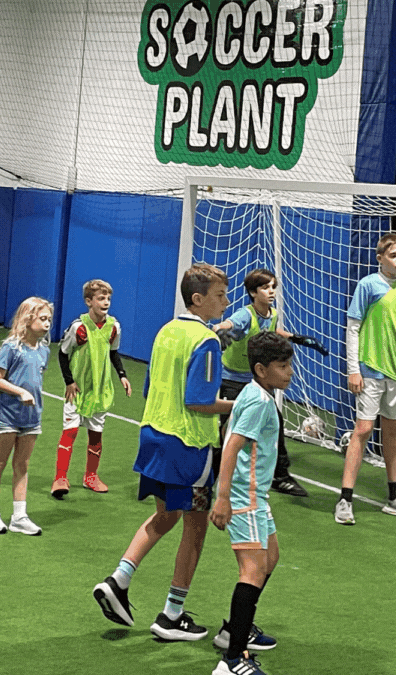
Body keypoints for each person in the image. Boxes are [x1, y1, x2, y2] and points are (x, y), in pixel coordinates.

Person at [93, 263, 234, 642]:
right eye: (220, 295)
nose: (226, 301)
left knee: (165, 516)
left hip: (153, 435)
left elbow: (149, 388)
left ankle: (119, 578)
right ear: (198, 299)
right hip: (189, 444)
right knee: (196, 525)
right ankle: (172, 614)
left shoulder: (166, 331)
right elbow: (200, 401)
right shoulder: (206, 343)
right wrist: (238, 405)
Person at [210, 332, 292, 675]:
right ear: (260, 368)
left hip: (256, 496)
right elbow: (232, 446)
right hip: (245, 497)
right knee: (253, 570)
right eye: (282, 366)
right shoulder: (259, 401)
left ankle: (237, 628)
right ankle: (233, 658)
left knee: (270, 558)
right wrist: (224, 496)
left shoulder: (254, 392)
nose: (289, 372)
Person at [335, 232, 396, 525]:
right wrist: (354, 369)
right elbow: (353, 327)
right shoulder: (368, 285)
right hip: (370, 369)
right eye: (393, 255)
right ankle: (345, 499)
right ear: (380, 258)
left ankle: (395, 497)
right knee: (363, 429)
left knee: (393, 432)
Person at [214, 268, 327, 497]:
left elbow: (273, 330)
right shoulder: (246, 314)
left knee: (275, 419)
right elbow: (228, 324)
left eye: (273, 286)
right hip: (232, 378)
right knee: (228, 427)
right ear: (253, 293)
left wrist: (297, 338)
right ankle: (213, 466)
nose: (271, 291)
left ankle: (280, 476)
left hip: (256, 380)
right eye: (265, 287)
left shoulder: (272, 313)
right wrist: (219, 330)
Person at [51, 279, 132, 498]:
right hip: (77, 391)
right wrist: (69, 381)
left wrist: (122, 376)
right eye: (100, 298)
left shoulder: (114, 327)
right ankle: (60, 478)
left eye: (108, 298)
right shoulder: (79, 328)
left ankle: (90, 477)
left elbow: (113, 352)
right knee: (70, 432)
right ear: (89, 301)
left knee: (96, 435)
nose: (106, 302)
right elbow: (62, 353)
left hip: (100, 390)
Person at [0, 296, 53, 535]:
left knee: (22, 465)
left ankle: (19, 516)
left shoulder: (44, 351)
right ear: (28, 318)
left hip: (32, 418)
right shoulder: (11, 347)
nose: (47, 324)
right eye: (42, 319)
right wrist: (20, 391)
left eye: (49, 320)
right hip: (8, 416)